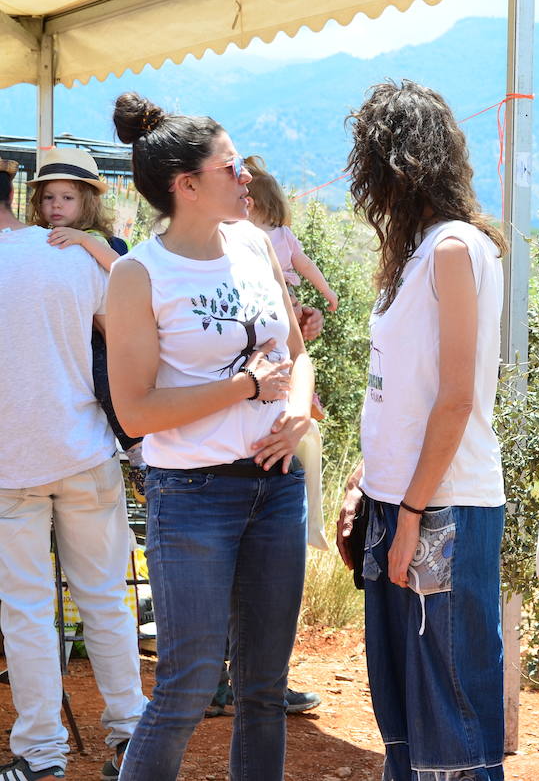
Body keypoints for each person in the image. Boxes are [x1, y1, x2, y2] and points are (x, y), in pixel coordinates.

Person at [105, 92, 314, 780]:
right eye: (230, 168)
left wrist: (298, 411)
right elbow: (134, 412)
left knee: (263, 690)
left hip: (276, 491)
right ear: (186, 184)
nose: (247, 176)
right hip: (191, 496)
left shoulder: (256, 243)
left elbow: (297, 352)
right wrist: (245, 390)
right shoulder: (138, 273)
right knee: (187, 687)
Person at [334, 80, 508, 779]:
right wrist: (363, 478)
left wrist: (407, 515)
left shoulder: (454, 251)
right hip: (402, 504)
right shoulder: (418, 253)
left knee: (452, 728)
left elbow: (457, 398)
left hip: (441, 510)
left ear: (393, 164)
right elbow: (399, 390)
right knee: (409, 722)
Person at [0, 162, 146, 781]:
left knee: (27, 611)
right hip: (85, 451)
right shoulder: (76, 254)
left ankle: (40, 755)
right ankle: (133, 741)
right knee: (106, 600)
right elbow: (128, 345)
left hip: (10, 463)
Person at [26, 148, 139, 455]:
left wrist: (85, 240)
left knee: (105, 381)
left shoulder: (100, 239)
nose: (56, 205)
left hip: (101, 335)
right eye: (48, 198)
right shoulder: (40, 238)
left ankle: (137, 447)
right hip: (63, 330)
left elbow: (121, 269)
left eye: (67, 197)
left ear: (87, 201)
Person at [244, 156, 339, 311]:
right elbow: (306, 265)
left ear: (248, 203)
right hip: (285, 293)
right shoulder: (285, 235)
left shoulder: (244, 234)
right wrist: (326, 290)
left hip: (255, 294)